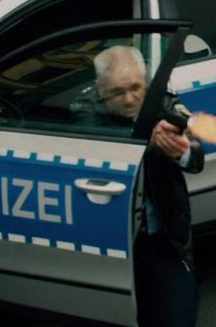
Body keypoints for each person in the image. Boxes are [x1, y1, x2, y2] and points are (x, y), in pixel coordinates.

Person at [79, 46, 203, 327]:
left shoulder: (165, 103)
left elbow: (197, 160)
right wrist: (148, 139)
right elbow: (99, 154)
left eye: (136, 88)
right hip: (112, 240)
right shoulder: (85, 108)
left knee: (180, 317)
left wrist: (178, 149)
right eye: (117, 92)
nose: (129, 98)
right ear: (100, 88)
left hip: (163, 237)